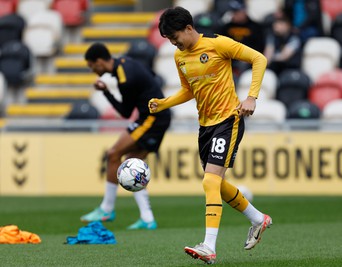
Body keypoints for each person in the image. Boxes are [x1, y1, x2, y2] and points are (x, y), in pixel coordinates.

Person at [149, 6, 272, 265]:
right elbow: (188, 90)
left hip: (228, 119)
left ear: (189, 28)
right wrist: (164, 103)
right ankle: (258, 219)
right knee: (216, 183)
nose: (173, 43)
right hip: (205, 125)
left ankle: (209, 245)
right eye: (169, 40)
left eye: (175, 37)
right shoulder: (179, 57)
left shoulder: (219, 44)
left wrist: (251, 97)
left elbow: (259, 59)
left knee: (209, 182)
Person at [80, 43, 171, 230]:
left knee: (113, 154)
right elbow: (151, 78)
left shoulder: (124, 77)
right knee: (133, 163)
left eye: (92, 66)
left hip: (153, 119)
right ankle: (147, 219)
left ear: (99, 61)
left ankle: (106, 209)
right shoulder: (126, 62)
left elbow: (125, 111)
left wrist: (106, 92)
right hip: (156, 116)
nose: (92, 70)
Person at [218, 0, 266, 79]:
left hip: (249, 60)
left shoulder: (256, 27)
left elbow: (259, 47)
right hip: (230, 60)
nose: (234, 15)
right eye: (233, 12)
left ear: (244, 11)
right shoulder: (225, 28)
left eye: (237, 12)